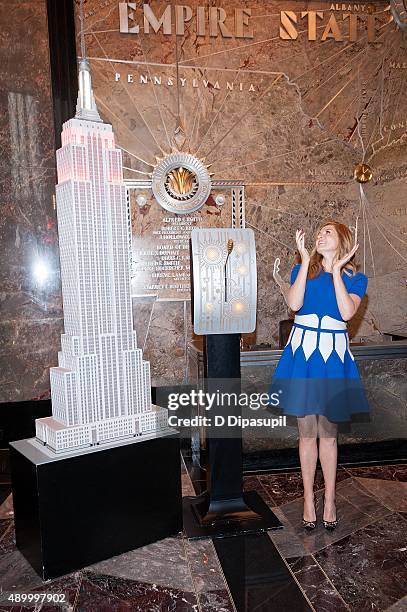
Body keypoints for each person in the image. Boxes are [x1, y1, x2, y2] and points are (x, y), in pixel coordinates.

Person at [269, 220, 369, 531]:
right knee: (306, 433)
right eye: (318, 232)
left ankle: (330, 499)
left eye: (327, 231)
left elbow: (346, 313)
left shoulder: (356, 278)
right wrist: (302, 257)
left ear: (342, 239)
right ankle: (309, 499)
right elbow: (294, 303)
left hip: (332, 357)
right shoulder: (303, 270)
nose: (319, 235)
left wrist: (336, 271)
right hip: (302, 355)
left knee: (328, 434)